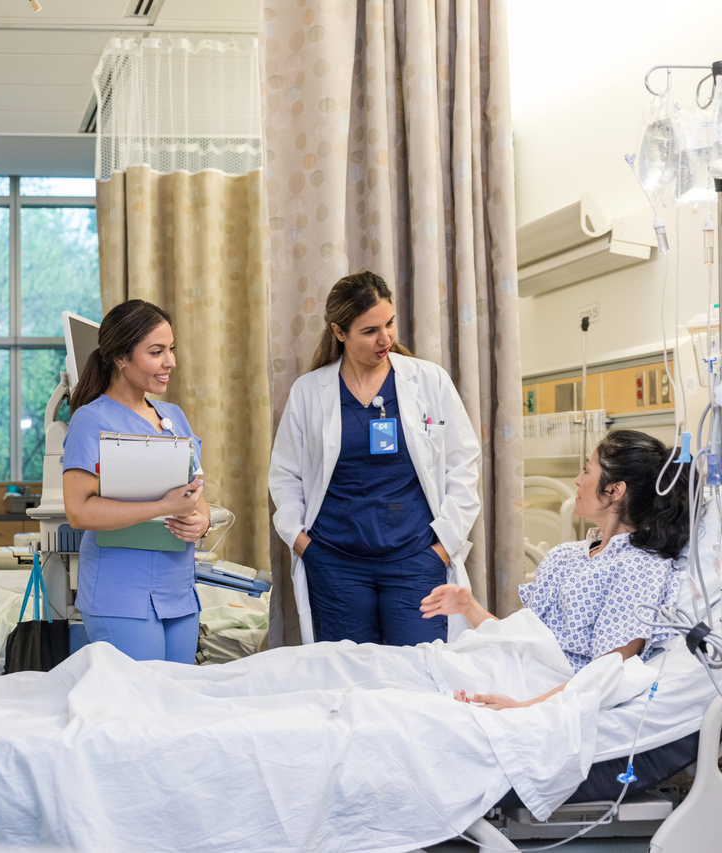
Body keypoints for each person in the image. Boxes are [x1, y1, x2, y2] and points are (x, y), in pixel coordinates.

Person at [269, 270, 482, 646]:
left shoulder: (429, 381)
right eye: (369, 331)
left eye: (389, 323)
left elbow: (463, 465)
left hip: (416, 560)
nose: (385, 339)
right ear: (339, 332)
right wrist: (303, 543)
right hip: (335, 563)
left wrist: (443, 548)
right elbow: (285, 475)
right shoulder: (309, 391)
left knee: (420, 672)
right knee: (352, 680)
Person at [421, 429, 688, 709]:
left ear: (614, 490)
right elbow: (525, 643)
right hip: (508, 672)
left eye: (586, 471)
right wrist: (468, 607)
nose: (578, 480)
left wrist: (524, 707)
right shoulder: (564, 557)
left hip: (543, 692)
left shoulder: (640, 568)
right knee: (392, 676)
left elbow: (605, 673)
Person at [61, 299, 210, 664]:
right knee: (140, 712)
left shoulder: (173, 418)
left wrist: (200, 522)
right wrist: (164, 507)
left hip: (179, 592)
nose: (170, 362)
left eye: (171, 350)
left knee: (175, 707)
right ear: (120, 358)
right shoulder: (90, 420)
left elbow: (197, 494)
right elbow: (79, 512)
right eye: (156, 352)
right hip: (121, 595)